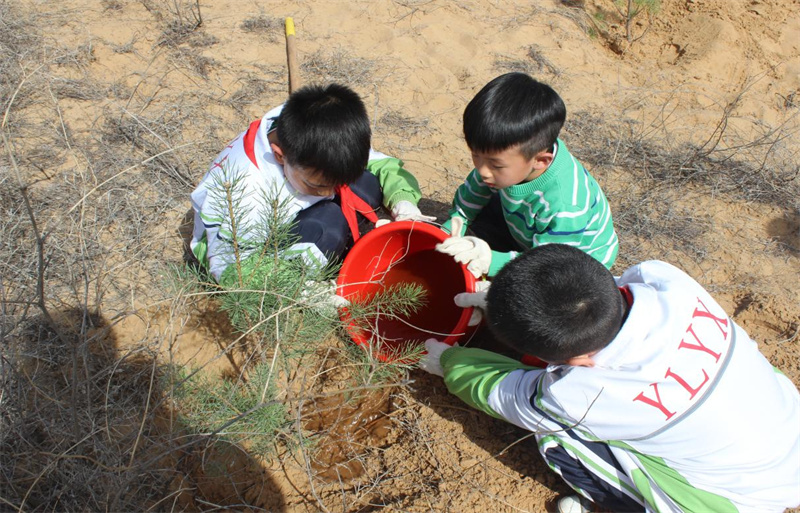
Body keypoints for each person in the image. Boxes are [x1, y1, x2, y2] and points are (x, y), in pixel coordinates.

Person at [420, 244, 800, 513]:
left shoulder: (582, 395)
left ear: (581, 360)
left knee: (560, 438)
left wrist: (450, 360)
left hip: (731, 502)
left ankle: (620, 502)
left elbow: (506, 394)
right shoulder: (664, 279)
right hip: (788, 428)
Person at [190, 83, 433, 284]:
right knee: (326, 227)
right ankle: (311, 272)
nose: (329, 193)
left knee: (367, 184)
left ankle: (340, 242)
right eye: (316, 186)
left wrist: (403, 201)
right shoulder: (247, 191)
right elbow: (230, 268)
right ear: (279, 155)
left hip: (286, 206)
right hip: (242, 246)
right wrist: (297, 289)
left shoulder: (323, 130)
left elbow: (383, 166)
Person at [436, 72, 618, 280]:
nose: (483, 171)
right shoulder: (501, 167)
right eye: (476, 156)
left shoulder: (565, 207)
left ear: (540, 161)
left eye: (495, 164)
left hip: (571, 262)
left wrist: (490, 261)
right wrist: (453, 225)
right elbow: (472, 195)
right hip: (528, 231)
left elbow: (546, 265)